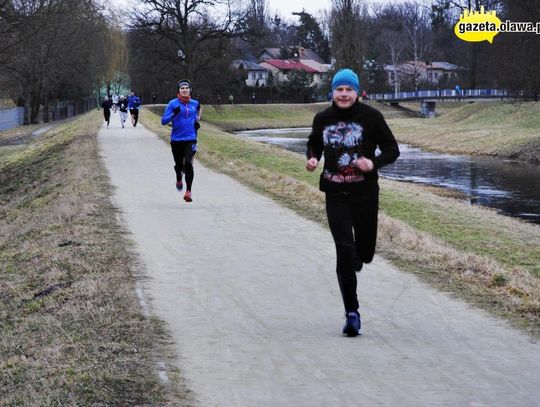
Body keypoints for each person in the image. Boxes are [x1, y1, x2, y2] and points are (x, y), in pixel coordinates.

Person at [306, 68, 399, 337]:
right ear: (332, 92)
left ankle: (359, 257)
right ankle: (352, 313)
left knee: (365, 253)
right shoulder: (322, 118)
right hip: (335, 194)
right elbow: (314, 143)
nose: (344, 94)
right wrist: (313, 158)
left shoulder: (371, 117)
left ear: (357, 92)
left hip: (365, 193)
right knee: (344, 252)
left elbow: (392, 149)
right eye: (339, 89)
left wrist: (373, 163)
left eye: (349, 90)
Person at [161, 79, 202, 203]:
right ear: (178, 90)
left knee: (188, 163)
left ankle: (188, 191)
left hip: (191, 139)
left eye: (186, 88)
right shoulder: (173, 104)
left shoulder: (194, 103)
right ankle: (179, 177)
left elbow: (196, 115)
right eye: (182, 88)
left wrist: (196, 123)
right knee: (179, 166)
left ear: (190, 90)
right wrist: (173, 114)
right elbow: (163, 121)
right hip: (177, 139)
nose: (184, 90)